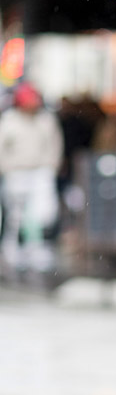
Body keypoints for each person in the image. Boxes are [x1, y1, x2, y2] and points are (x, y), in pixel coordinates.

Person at [0, 82, 63, 279]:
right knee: (15, 216)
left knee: (42, 214)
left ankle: (37, 251)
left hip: (40, 172)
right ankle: (12, 251)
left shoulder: (45, 120)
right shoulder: (9, 121)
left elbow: (54, 144)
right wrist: (6, 168)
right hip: (17, 172)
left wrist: (51, 166)